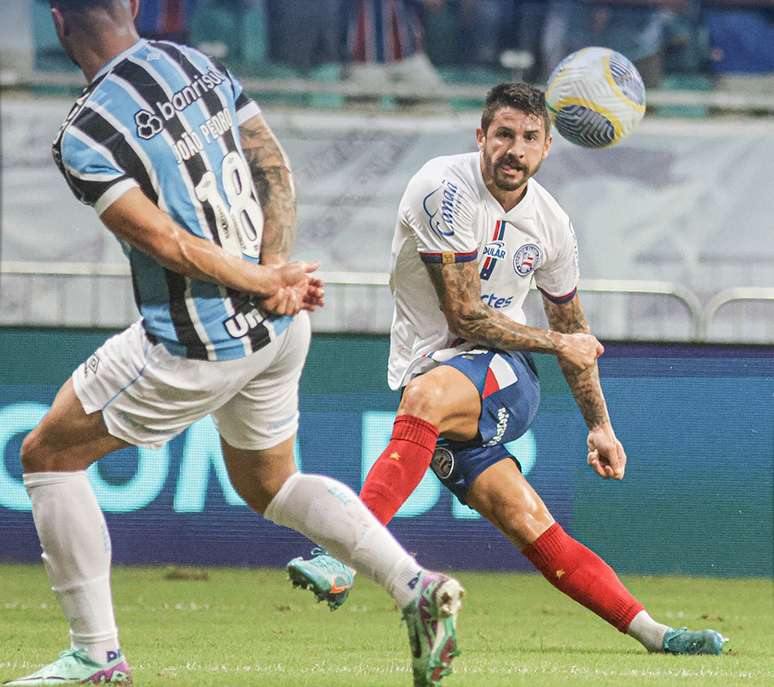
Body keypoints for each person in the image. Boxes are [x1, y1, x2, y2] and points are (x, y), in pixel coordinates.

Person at [4, 2, 464, 686]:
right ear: (132, 4)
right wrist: (275, 274)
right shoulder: (197, 63)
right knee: (270, 482)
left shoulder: (84, 132)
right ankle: (415, 585)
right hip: (278, 328)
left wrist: (263, 277)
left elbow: (165, 241)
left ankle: (96, 657)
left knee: (47, 456)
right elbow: (273, 165)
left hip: (196, 341)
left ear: (57, 20)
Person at [288, 82, 726, 657]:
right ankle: (657, 634)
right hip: (442, 368)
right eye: (503, 135)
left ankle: (342, 556)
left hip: (505, 374)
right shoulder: (443, 189)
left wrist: (599, 424)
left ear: (546, 149)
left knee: (424, 399)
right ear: (480, 138)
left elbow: (573, 327)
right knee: (527, 519)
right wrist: (559, 343)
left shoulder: (552, 225)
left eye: (529, 138)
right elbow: (465, 313)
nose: (514, 149)